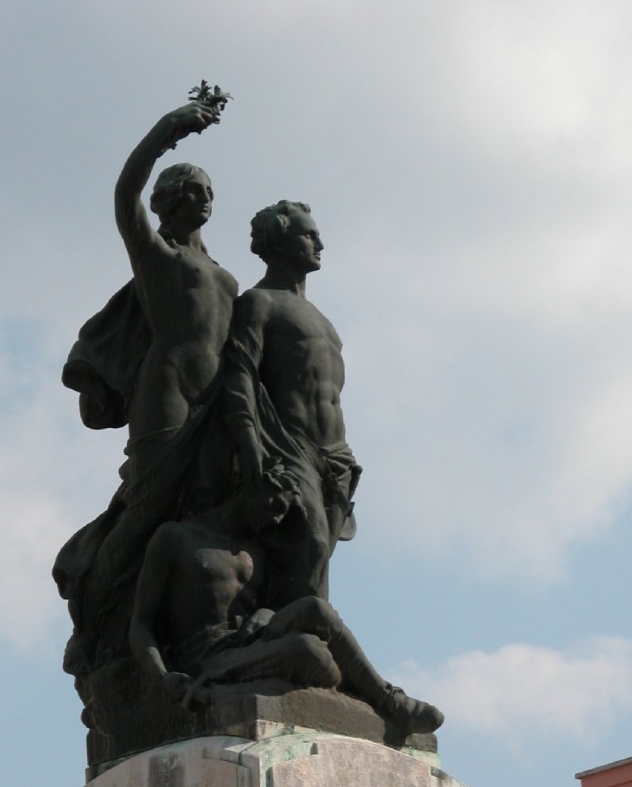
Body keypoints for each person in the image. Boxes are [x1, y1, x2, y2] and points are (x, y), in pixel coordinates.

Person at [55, 92, 238, 661]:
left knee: (217, 504)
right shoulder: (157, 256)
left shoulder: (227, 279)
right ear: (167, 200)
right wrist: (171, 130)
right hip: (167, 391)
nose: (202, 197)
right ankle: (92, 612)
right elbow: (123, 193)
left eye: (208, 190)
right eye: (191, 189)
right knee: (150, 505)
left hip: (218, 397)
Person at [129, 471, 443, 737]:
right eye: (276, 504)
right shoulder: (175, 538)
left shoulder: (257, 553)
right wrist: (163, 677)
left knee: (316, 610)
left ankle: (391, 701)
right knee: (307, 651)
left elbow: (272, 610)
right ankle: (371, 695)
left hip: (252, 643)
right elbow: (141, 623)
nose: (278, 517)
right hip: (209, 658)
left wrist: (266, 613)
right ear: (251, 488)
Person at [223, 201, 360, 606]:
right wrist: (251, 447)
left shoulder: (321, 318)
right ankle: (294, 640)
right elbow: (240, 375)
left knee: (316, 560)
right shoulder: (258, 302)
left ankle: (294, 636)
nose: (320, 243)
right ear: (280, 241)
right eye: (308, 235)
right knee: (313, 544)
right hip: (287, 444)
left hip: (336, 456)